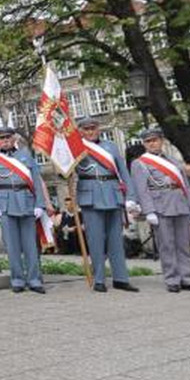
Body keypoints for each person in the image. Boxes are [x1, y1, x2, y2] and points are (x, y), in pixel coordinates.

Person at [129, 128, 190, 293]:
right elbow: (142, 189)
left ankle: (187, 278)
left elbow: (185, 186)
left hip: (180, 204)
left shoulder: (173, 161)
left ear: (161, 141)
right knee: (167, 245)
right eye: (148, 141)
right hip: (160, 207)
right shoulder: (140, 163)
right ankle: (172, 279)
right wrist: (149, 211)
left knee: (183, 245)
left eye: (155, 140)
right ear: (144, 144)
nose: (152, 144)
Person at [75, 117, 138, 293]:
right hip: (91, 195)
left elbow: (123, 171)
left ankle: (120, 278)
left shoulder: (111, 146)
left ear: (98, 129)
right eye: (86, 129)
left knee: (116, 240)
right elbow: (66, 171)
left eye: (93, 128)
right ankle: (99, 279)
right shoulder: (76, 148)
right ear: (81, 131)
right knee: (95, 241)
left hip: (112, 192)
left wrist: (130, 196)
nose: (90, 132)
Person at [0, 126, 47, 294]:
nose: (5, 140)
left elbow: (36, 181)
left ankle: (34, 280)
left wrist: (40, 204)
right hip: (5, 205)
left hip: (26, 201)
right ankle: (17, 280)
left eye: (8, 137)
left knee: (30, 246)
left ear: (14, 139)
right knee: (12, 246)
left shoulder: (25, 155)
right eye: (2, 138)